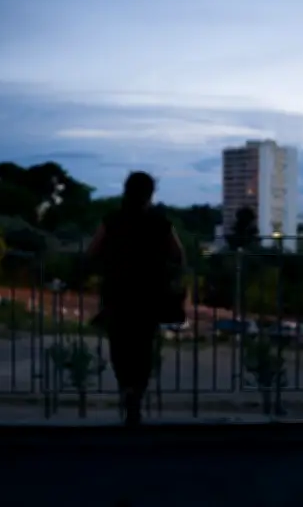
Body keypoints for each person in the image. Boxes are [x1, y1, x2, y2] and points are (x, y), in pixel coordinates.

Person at [87, 171, 186, 426]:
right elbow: (178, 254)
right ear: (150, 193)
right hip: (149, 294)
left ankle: (126, 388)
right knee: (143, 347)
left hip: (117, 293)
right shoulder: (159, 223)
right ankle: (136, 397)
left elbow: (93, 251)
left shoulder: (113, 220)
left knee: (120, 346)